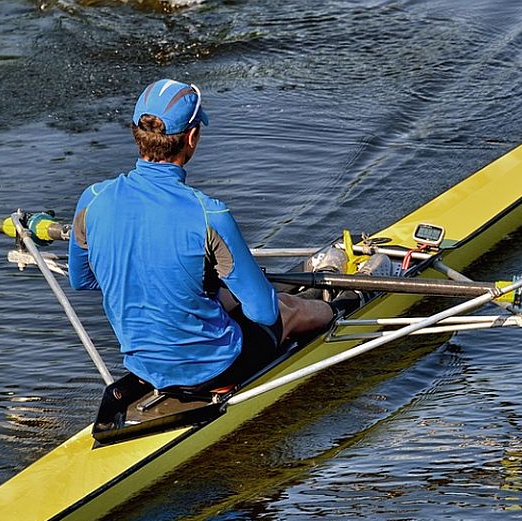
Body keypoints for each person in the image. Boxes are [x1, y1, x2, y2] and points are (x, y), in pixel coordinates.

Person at [68, 78, 334, 391]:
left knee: (220, 296)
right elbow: (263, 311)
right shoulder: (209, 214)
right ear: (192, 137)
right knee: (287, 308)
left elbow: (82, 279)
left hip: (143, 366)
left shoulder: (93, 199)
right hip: (217, 369)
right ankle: (345, 306)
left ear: (135, 133)